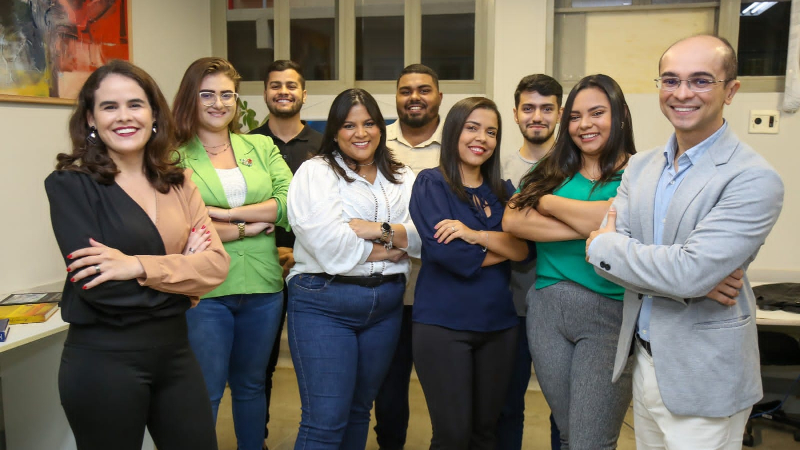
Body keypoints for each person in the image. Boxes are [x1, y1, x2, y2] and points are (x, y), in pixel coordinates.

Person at [586, 35, 784, 450]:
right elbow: (607, 253)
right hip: (644, 362)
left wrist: (613, 250)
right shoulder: (640, 167)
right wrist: (684, 277)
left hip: (705, 377)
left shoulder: (752, 178)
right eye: (670, 80)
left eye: (700, 81)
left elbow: (679, 269)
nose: (682, 93)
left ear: (731, 90)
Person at [45, 59, 230, 450]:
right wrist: (185, 279)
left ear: (154, 114)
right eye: (109, 107)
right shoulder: (70, 185)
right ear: (91, 119)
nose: (124, 116)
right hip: (103, 361)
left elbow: (216, 266)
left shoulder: (178, 182)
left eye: (135, 104)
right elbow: (102, 290)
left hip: (177, 355)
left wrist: (136, 266)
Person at [502, 74, 636, 450]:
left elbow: (619, 217)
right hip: (546, 312)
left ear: (621, 115)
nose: (584, 125)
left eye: (597, 113)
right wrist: (593, 227)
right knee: (568, 431)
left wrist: (545, 203)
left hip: (607, 315)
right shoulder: (551, 168)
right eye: (575, 117)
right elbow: (512, 220)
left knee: (590, 440)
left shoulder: (639, 173)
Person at [286, 88, 421, 450]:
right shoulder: (316, 173)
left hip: (386, 306)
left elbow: (423, 237)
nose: (360, 133)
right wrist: (392, 248)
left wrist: (378, 231)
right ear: (334, 131)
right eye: (349, 125)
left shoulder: (402, 176)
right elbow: (331, 247)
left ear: (381, 127)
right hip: (325, 302)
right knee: (325, 421)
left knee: (361, 410)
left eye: (369, 123)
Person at [173, 57, 293, 450]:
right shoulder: (173, 155)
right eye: (207, 94)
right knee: (205, 389)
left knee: (251, 385)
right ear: (191, 98)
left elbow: (289, 203)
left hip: (263, 286)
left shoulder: (260, 146)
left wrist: (222, 215)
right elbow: (181, 225)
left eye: (226, 94)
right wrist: (246, 227)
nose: (217, 103)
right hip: (206, 290)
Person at [410, 96, 529, 449]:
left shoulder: (503, 190)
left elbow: (524, 250)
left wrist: (475, 235)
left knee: (484, 434)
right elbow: (448, 253)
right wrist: (499, 245)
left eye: (491, 132)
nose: (482, 138)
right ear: (453, 132)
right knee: (453, 436)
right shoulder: (431, 184)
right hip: (443, 326)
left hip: (499, 327)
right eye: (472, 128)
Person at [248, 59, 322, 449]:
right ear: (265, 93)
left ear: (303, 94)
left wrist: (299, 252)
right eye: (275, 85)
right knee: (260, 365)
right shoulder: (247, 144)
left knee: (316, 361)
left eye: (291, 85)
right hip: (263, 265)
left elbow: (333, 209)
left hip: (313, 268)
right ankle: (255, 438)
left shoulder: (324, 145)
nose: (283, 92)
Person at [375, 63, 444, 450]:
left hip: (441, 290)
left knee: (444, 388)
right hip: (390, 287)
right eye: (405, 91)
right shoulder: (376, 142)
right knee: (389, 386)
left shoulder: (457, 142)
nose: (414, 97)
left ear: (438, 96)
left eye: (423, 90)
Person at [498, 74, 563, 450]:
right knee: (507, 406)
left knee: (563, 408)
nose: (536, 116)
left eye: (546, 108)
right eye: (528, 108)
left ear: (559, 113)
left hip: (561, 304)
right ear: (516, 113)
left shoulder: (574, 168)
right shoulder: (499, 168)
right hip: (511, 307)